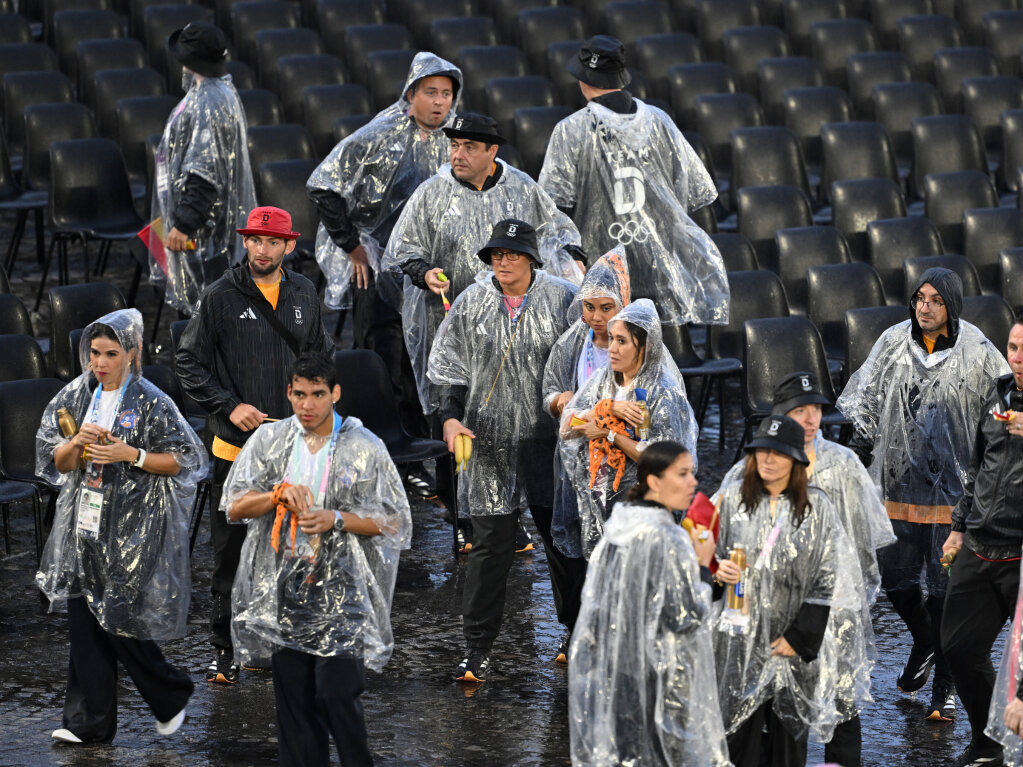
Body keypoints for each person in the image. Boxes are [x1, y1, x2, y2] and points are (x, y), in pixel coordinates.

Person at [838, 267, 1010, 722]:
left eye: (935, 300)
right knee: (895, 580)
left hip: (954, 493)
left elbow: (1001, 416)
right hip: (898, 483)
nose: (924, 307)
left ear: (951, 306)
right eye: (919, 298)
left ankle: (943, 692)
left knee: (945, 592)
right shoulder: (894, 342)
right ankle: (927, 642)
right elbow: (867, 404)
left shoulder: (979, 352)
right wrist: (854, 459)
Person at [224, 353, 411, 767]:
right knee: (293, 701)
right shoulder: (269, 441)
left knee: (336, 694)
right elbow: (234, 506)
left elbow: (395, 520)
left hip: (342, 584)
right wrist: (274, 495)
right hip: (286, 580)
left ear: (336, 394)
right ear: (288, 393)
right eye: (299, 394)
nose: (307, 405)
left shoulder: (365, 448)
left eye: (318, 394)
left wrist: (338, 519)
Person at [176, 205, 334, 685]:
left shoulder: (305, 291)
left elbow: (321, 358)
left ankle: (281, 641)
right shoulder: (220, 296)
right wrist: (227, 406)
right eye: (253, 240)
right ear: (245, 243)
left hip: (295, 445)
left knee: (295, 547)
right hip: (236, 448)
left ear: (289, 245)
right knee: (230, 553)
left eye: (271, 242)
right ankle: (223, 649)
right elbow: (188, 362)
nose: (260, 249)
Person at [35, 309, 207, 744]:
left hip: (133, 524)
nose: (101, 363)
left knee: (116, 616)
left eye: (111, 353)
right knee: (84, 615)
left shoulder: (151, 401)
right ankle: (87, 724)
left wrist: (132, 455)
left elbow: (187, 460)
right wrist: (76, 444)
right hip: (84, 519)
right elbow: (55, 461)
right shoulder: (77, 395)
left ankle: (170, 691)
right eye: (95, 352)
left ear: (133, 353)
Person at [427, 218, 578, 682]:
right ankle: (477, 648)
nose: (503, 262)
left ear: (532, 258)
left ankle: (575, 631)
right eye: (496, 255)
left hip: (546, 441)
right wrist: (451, 417)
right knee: (490, 547)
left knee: (561, 542)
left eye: (512, 254)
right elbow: (449, 367)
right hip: (487, 441)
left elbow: (584, 361)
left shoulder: (563, 300)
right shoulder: (472, 303)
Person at [721, 371, 895, 767]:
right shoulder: (749, 472)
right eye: (800, 410)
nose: (812, 418)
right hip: (765, 611)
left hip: (831, 604)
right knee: (763, 701)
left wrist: (849, 603)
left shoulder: (844, 465)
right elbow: (724, 543)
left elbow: (863, 540)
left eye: (815, 409)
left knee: (843, 693)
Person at [307, 52, 463, 459]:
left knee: (424, 366)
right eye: (430, 92)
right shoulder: (381, 133)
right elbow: (324, 184)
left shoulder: (454, 142)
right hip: (378, 271)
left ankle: (416, 451)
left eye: (446, 94)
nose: (439, 102)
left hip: (426, 272)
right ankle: (375, 452)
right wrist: (353, 247)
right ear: (411, 94)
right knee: (382, 361)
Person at [383, 111, 584, 418]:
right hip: (447, 319)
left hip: (514, 323)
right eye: (454, 146)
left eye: (469, 147)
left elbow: (557, 234)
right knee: (451, 408)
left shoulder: (521, 188)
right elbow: (403, 250)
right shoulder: (431, 192)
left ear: (492, 151)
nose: (458, 154)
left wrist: (573, 263)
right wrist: (424, 273)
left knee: (510, 406)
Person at [538, 35, 728, 330]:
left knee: (610, 364)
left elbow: (552, 209)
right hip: (658, 269)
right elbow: (696, 193)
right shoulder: (660, 121)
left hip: (603, 274)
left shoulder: (570, 130)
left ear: (583, 78)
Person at [569, 440, 731, 767]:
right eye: (683, 474)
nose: (693, 483)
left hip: (616, 670)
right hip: (654, 676)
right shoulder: (666, 537)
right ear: (655, 481)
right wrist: (702, 566)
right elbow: (685, 618)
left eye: (693, 473)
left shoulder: (622, 524)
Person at [712, 415, 856, 767]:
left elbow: (828, 574)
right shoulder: (731, 501)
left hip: (791, 644)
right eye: (762, 452)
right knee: (737, 735)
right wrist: (717, 572)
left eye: (778, 453)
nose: (768, 460)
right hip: (739, 641)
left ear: (796, 461)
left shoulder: (817, 509)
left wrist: (799, 636)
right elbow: (703, 557)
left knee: (788, 742)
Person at [540, 247, 630, 662]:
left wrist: (602, 421)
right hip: (574, 467)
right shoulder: (570, 344)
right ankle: (574, 628)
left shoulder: (636, 345)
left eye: (605, 307)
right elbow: (551, 396)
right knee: (572, 549)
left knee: (613, 550)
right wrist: (565, 405)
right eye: (589, 307)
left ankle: (612, 633)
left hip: (620, 468)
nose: (596, 317)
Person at [941, 318, 1023, 767]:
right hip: (979, 542)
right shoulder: (997, 396)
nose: (1018, 357)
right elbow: (975, 469)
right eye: (1012, 347)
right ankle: (990, 742)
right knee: (959, 646)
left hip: (1021, 553)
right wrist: (958, 527)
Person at [559, 299, 698, 559]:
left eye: (622, 341)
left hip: (642, 507)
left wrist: (610, 434)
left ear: (644, 347)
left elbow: (663, 462)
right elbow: (567, 428)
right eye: (611, 338)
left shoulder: (663, 392)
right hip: (600, 498)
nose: (611, 348)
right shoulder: (604, 379)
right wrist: (605, 410)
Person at [149, 21, 257, 315]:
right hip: (206, 227)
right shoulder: (218, 93)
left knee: (205, 317)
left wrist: (183, 224)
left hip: (203, 231)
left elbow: (205, 172)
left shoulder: (209, 101)